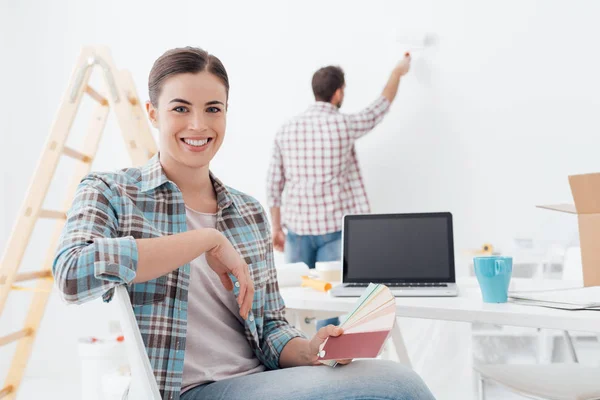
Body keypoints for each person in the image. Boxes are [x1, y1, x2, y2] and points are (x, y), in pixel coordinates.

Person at [53, 47, 434, 400]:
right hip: (192, 390)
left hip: (260, 380)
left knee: (393, 379)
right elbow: (71, 273)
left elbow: (270, 326)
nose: (199, 124)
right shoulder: (112, 192)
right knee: (399, 386)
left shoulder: (248, 211)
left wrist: (311, 349)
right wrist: (205, 241)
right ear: (153, 113)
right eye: (181, 109)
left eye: (213, 109)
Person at [266, 55, 412, 271]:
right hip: (335, 230)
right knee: (331, 296)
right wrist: (397, 72)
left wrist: (276, 227)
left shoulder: (286, 129)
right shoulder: (344, 125)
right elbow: (380, 106)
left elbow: (273, 185)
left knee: (297, 293)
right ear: (337, 93)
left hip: (297, 231)